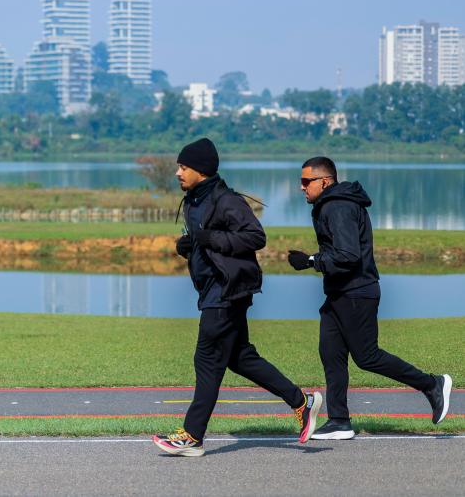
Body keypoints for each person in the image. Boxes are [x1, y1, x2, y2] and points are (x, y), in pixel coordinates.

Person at [153, 138, 322, 457]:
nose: (177, 172)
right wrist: (190, 246)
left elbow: (256, 237)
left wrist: (210, 239)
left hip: (228, 291)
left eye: (183, 167)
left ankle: (191, 435)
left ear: (200, 170)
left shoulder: (225, 200)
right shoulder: (193, 199)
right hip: (213, 289)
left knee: (207, 358)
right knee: (240, 357)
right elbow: (207, 238)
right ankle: (302, 402)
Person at [289, 156, 452, 440]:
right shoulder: (333, 204)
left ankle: (432, 384)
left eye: (306, 182)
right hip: (340, 293)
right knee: (331, 353)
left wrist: (311, 260)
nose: (302, 188)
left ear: (324, 181)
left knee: (367, 356)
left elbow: (348, 255)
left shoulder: (337, 206)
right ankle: (339, 421)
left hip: (356, 292)